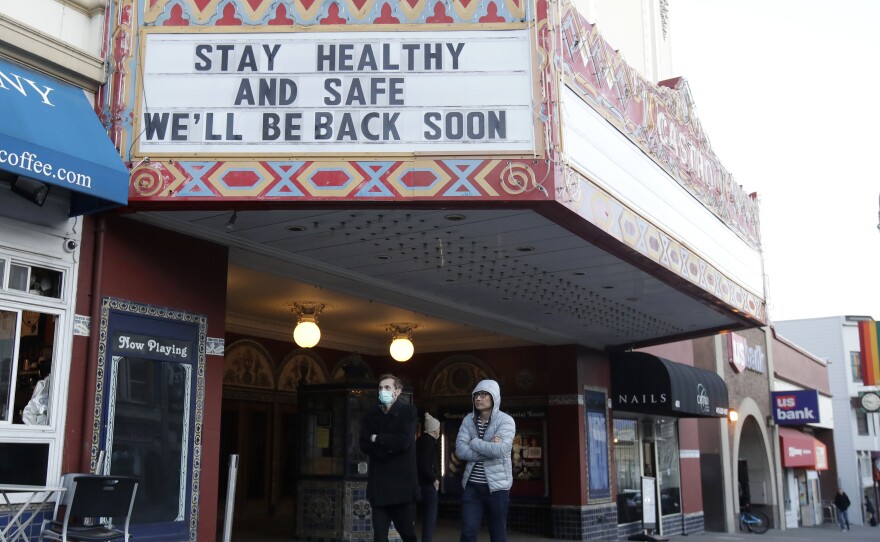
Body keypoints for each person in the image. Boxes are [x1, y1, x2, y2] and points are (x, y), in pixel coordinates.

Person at [359, 374, 419, 542]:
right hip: (379, 487)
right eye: (380, 388)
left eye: (387, 388)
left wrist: (377, 438)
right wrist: (386, 449)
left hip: (402, 489)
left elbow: (403, 442)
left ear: (397, 391)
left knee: (407, 534)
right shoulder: (371, 414)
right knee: (379, 537)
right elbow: (364, 443)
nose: (382, 391)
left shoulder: (408, 412)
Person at [455, 379, 516, 542]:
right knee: (467, 533)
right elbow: (460, 450)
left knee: (498, 535)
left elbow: (501, 450)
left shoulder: (506, 421)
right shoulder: (468, 420)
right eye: (476, 395)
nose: (478, 399)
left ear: (494, 397)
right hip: (472, 487)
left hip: (497, 489)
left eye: (483, 395)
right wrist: (488, 447)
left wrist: (474, 443)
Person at [417, 412, 441, 542]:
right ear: (433, 429)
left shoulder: (421, 440)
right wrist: (434, 479)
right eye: (437, 427)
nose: (439, 429)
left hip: (419, 483)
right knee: (430, 516)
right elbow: (424, 464)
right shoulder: (429, 442)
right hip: (428, 484)